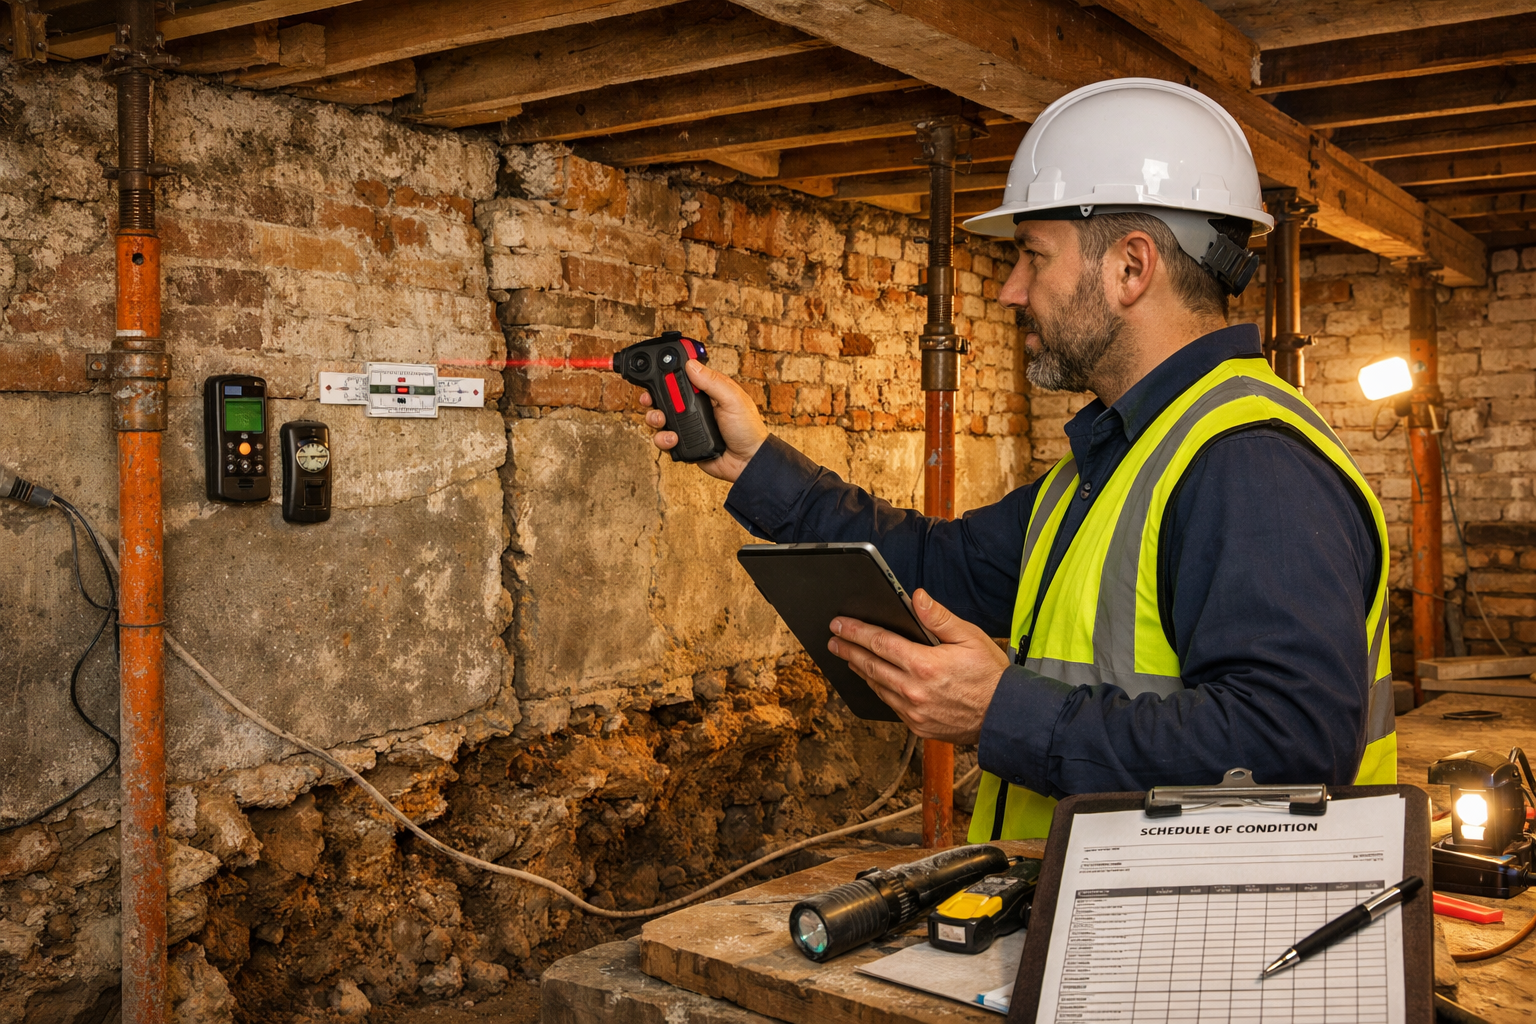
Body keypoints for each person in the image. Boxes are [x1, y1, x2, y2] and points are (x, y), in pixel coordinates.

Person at [637, 78, 1395, 841]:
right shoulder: (1121, 458)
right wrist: (754, 460)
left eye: (1033, 256)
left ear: (1132, 268)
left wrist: (1005, 710)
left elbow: (1286, 752)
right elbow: (941, 564)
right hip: (1100, 926)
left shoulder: (1251, 466)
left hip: (1212, 952)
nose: (1010, 290)